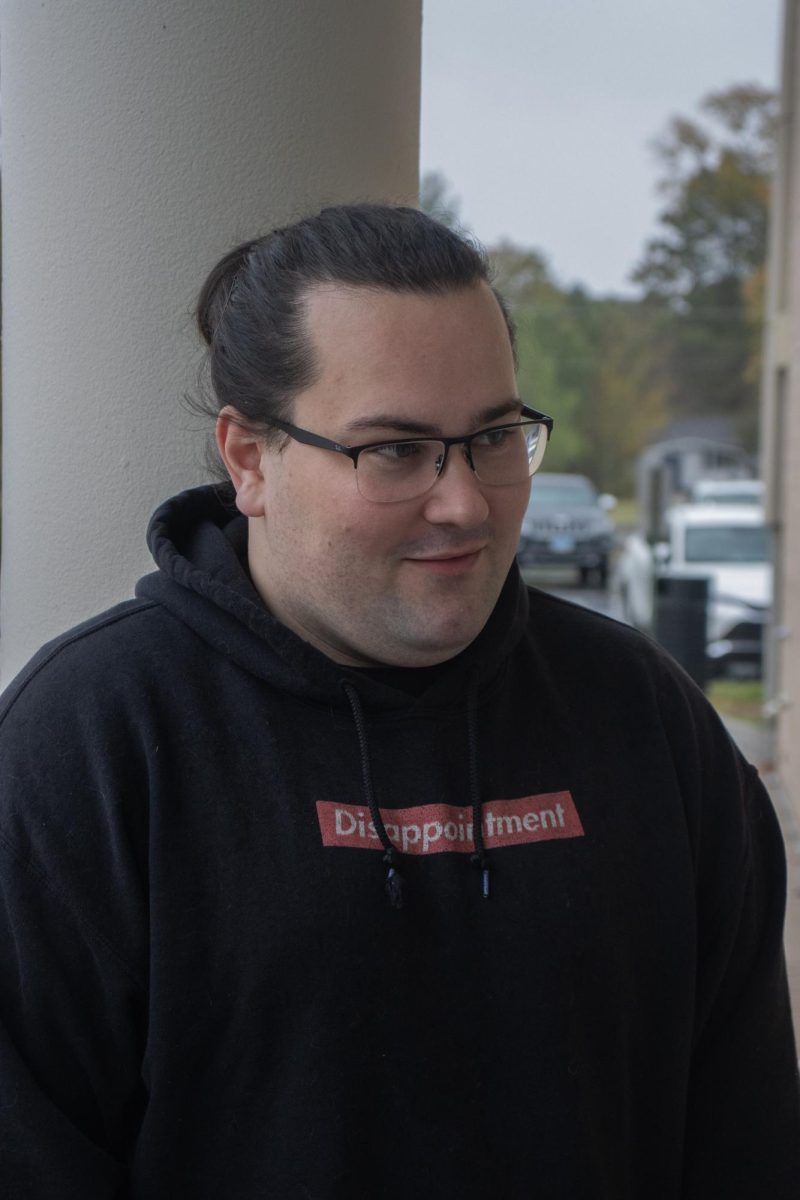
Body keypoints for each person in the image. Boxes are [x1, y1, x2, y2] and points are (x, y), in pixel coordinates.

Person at [0, 204, 798, 1199]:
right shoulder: (92, 744)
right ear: (249, 458)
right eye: (394, 451)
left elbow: (745, 1140)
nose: (463, 501)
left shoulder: (644, 718)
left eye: (493, 436)